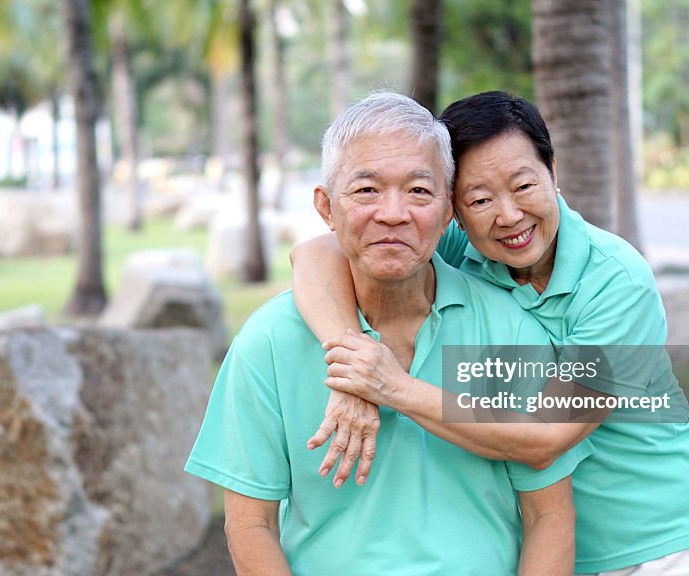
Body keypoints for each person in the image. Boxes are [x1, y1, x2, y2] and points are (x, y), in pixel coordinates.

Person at [290, 91, 689, 575]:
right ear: (452, 209)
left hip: (666, 543)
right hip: (552, 547)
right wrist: (352, 361)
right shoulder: (458, 243)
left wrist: (390, 387)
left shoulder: (616, 281)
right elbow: (317, 255)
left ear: (553, 170)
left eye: (524, 186)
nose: (508, 216)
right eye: (480, 199)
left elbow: (548, 435)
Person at [185, 91, 592, 575]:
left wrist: (387, 386)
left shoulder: (510, 329)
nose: (394, 213)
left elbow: (549, 513)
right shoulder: (268, 342)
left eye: (419, 191)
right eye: (366, 191)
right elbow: (250, 525)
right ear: (326, 208)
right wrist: (353, 360)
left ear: (448, 213)